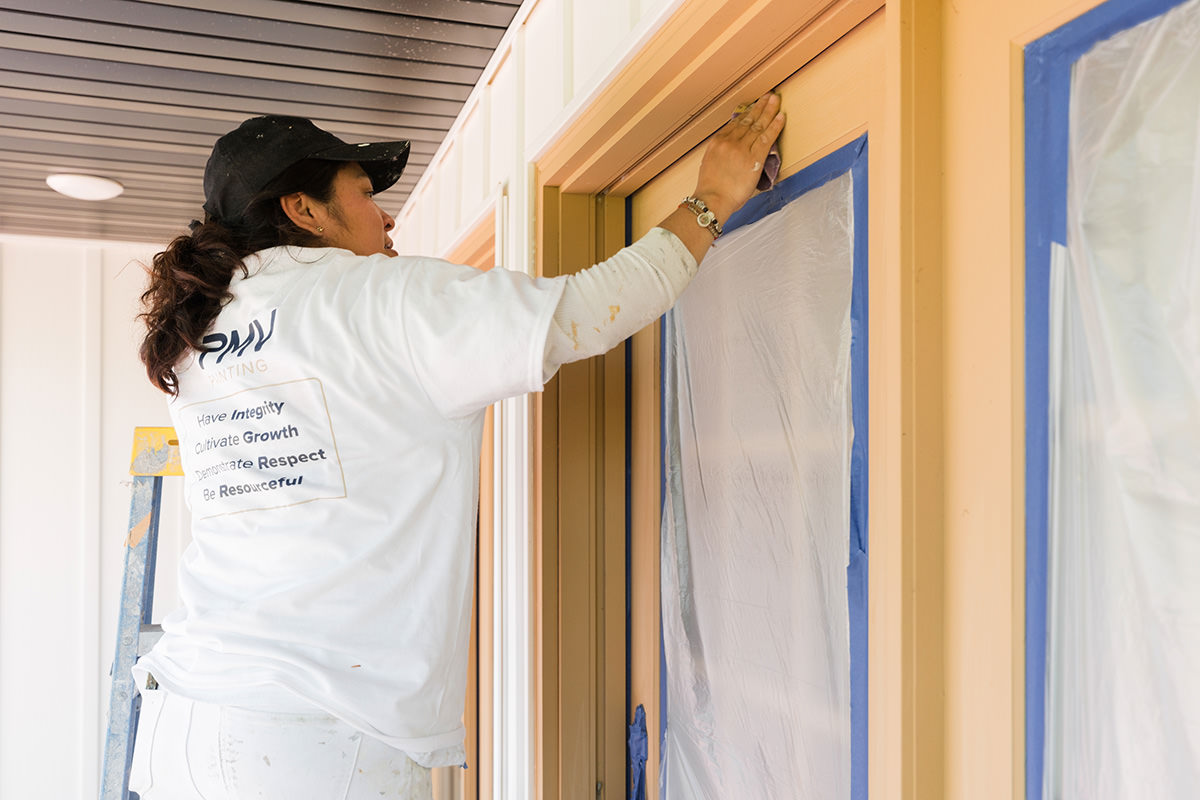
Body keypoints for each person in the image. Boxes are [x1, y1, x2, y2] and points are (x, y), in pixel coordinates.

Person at [131, 93, 784, 799]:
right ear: (304, 211)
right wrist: (712, 198)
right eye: (361, 193)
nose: (386, 216)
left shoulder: (202, 336)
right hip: (316, 744)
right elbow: (588, 313)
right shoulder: (379, 298)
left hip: (182, 724)